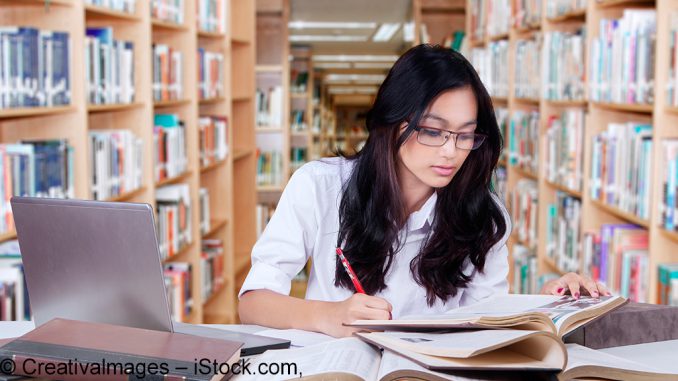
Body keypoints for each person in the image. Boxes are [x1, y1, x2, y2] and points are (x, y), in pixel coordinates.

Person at [238, 44, 608, 338]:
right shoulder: (320, 185)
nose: (451, 151)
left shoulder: (483, 215)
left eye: (465, 135)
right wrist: (326, 315)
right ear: (393, 123)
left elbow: (488, 322)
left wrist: (547, 306)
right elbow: (253, 303)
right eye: (433, 131)